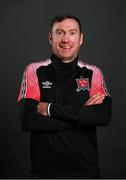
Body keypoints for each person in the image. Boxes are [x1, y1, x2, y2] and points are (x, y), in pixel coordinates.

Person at [17, 14, 112, 178]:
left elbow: (103, 116)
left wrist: (49, 108)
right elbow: (28, 120)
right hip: (45, 172)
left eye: (72, 33)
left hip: (85, 171)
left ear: (81, 38)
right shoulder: (35, 71)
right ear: (50, 37)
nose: (66, 39)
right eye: (59, 32)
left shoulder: (93, 73)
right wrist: (82, 115)